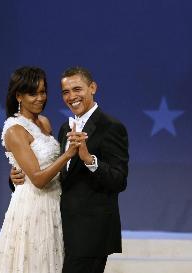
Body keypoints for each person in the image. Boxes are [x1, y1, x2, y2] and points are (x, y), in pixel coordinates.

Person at [11, 66, 129, 273]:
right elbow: (58, 173)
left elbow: (119, 180)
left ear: (92, 88)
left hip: (91, 233)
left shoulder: (110, 127)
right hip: (62, 229)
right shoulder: (66, 129)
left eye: (77, 89)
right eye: (66, 92)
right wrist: (18, 177)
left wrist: (89, 159)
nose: (71, 96)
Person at [0, 66, 87, 273]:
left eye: (43, 91)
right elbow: (39, 180)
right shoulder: (15, 130)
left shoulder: (44, 122)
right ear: (19, 96)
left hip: (53, 203)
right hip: (32, 206)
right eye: (33, 93)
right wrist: (68, 154)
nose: (40, 98)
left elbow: (45, 163)